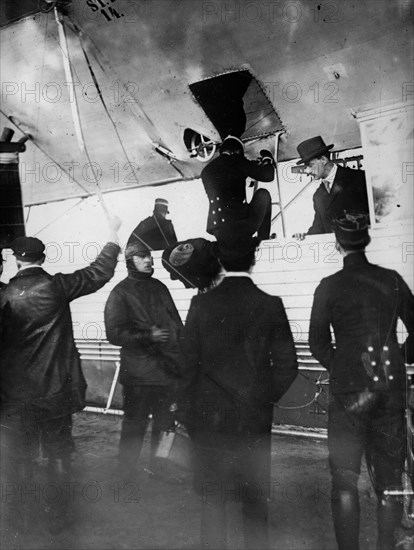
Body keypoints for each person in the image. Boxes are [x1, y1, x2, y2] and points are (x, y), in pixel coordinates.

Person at [0, 216, 121, 534]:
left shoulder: (5, 296)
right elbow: (99, 272)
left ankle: (23, 521)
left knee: (22, 457)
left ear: (16, 260)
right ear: (43, 258)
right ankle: (61, 517)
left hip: (17, 395)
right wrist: (112, 234)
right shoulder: (56, 286)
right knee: (58, 452)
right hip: (55, 390)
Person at [181, 237, 298, 550]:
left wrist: (188, 413)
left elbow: (186, 366)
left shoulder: (200, 304)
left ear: (220, 262)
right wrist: (262, 397)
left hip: (209, 420)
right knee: (255, 500)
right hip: (253, 418)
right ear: (253, 260)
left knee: (213, 501)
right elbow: (288, 365)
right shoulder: (270, 304)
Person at [309, 211, 414, 550]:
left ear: (338, 243)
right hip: (391, 387)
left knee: (344, 479)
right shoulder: (393, 279)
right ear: (366, 240)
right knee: (390, 480)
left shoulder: (328, 287)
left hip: (349, 395)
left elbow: (317, 343)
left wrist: (341, 368)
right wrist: (401, 357)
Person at [104, 241, 183, 478]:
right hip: (139, 375)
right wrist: (149, 336)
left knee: (167, 426)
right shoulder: (120, 292)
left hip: (167, 371)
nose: (149, 260)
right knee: (134, 425)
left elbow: (176, 326)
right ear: (130, 261)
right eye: (142, 256)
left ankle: (160, 467)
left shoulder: (160, 288)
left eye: (149, 255)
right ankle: (125, 471)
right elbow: (114, 334)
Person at [200, 135, 275, 245]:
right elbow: (268, 176)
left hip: (218, 229)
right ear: (237, 152)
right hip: (240, 226)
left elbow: (228, 179)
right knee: (263, 194)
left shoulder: (206, 170)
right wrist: (267, 160)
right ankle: (263, 240)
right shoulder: (237, 160)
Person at [293, 136, 369, 239]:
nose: (307, 171)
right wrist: (305, 237)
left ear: (323, 160)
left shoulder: (358, 178)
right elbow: (319, 228)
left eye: (310, 165)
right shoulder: (318, 196)